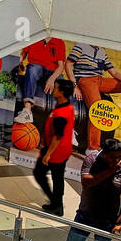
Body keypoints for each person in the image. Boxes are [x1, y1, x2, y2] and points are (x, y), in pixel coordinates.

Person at [51, 43, 121, 152]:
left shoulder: (102, 52)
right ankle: (92, 149)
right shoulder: (80, 46)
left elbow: (113, 72)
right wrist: (74, 85)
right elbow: (68, 64)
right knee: (98, 109)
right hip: (85, 80)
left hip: (99, 80)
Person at [34, 78, 76, 216]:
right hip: (61, 149)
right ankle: (57, 204)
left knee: (41, 174)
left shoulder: (61, 114)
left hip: (56, 151)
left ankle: (56, 204)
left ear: (62, 92)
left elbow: (58, 136)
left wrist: (48, 154)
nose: (54, 89)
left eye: (56, 87)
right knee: (57, 178)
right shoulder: (66, 106)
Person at [18, 37, 66, 110]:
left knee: (64, 84)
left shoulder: (59, 42)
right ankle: (27, 110)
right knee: (32, 69)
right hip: (35, 67)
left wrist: (52, 79)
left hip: (52, 71)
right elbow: (23, 53)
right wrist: (20, 62)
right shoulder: (34, 37)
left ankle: (62, 115)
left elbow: (61, 66)